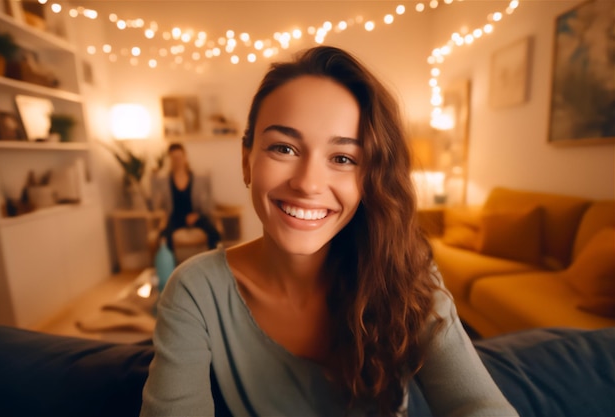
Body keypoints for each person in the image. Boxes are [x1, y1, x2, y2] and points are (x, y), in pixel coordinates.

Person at [141, 46, 518, 416]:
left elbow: (480, 404)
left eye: (343, 158)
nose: (308, 183)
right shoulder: (195, 290)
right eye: (284, 149)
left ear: (370, 178)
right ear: (246, 162)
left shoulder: (405, 273)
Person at [155, 143, 221, 254]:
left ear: (185, 157)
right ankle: (173, 268)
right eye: (174, 158)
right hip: (175, 218)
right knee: (164, 237)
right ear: (170, 160)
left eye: (179, 157)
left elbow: (207, 204)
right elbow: (159, 206)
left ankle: (212, 261)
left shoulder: (196, 180)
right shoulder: (165, 182)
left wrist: (197, 215)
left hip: (194, 216)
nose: (177, 160)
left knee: (214, 232)